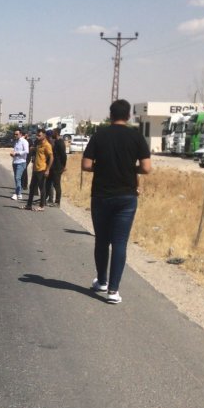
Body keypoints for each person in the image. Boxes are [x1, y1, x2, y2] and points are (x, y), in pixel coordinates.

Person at [81, 99, 152, 304]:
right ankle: (113, 291)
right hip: (126, 197)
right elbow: (146, 168)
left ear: (110, 115)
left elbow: (86, 165)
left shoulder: (99, 135)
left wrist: (103, 168)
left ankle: (101, 281)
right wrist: (130, 169)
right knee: (120, 243)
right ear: (128, 116)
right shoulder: (136, 136)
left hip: (101, 195)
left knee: (102, 240)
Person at [24, 128, 53, 212]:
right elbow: (39, 152)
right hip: (36, 169)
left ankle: (41, 206)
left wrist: (48, 170)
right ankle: (29, 205)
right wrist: (33, 149)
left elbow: (51, 157)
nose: (37, 136)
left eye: (39, 135)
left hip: (42, 169)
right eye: (37, 135)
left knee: (42, 188)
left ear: (44, 135)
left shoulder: (47, 145)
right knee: (32, 187)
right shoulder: (39, 143)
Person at [46, 129, 68, 207]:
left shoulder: (60, 143)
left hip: (58, 167)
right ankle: (46, 199)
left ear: (57, 133)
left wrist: (64, 166)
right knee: (48, 182)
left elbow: (64, 156)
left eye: (54, 133)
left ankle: (57, 202)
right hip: (53, 166)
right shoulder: (56, 141)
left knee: (56, 184)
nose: (52, 134)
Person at [9, 129, 29, 200]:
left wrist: (17, 153)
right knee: (16, 179)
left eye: (17, 134)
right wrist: (13, 154)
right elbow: (15, 150)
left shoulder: (24, 141)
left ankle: (17, 194)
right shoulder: (16, 142)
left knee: (18, 177)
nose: (15, 135)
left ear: (20, 134)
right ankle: (19, 193)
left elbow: (26, 151)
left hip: (21, 162)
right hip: (15, 162)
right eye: (14, 134)